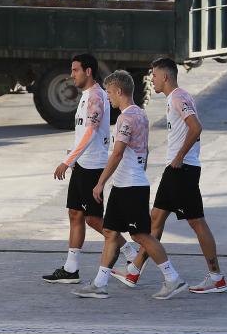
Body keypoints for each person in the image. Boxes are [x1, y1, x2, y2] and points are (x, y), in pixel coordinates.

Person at [111, 57, 227, 294]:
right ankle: (134, 270)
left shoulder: (178, 97)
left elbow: (196, 127)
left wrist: (179, 157)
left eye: (154, 75)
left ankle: (216, 277)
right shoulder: (174, 99)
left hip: (181, 170)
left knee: (196, 221)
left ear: (165, 77)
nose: (151, 79)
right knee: (155, 220)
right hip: (176, 169)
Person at [73, 70, 187, 299]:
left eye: (109, 93)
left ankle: (173, 278)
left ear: (119, 91)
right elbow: (143, 150)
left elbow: (116, 154)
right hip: (126, 184)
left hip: (130, 186)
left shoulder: (126, 118)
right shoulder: (140, 114)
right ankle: (100, 283)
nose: (107, 98)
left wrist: (99, 183)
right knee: (110, 231)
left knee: (141, 235)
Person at [43, 54, 136, 284]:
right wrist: (72, 156)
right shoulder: (86, 96)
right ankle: (71, 269)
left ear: (88, 71)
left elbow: (91, 132)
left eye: (75, 70)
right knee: (75, 214)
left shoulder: (96, 96)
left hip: (93, 166)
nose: (71, 74)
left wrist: (68, 161)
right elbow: (82, 132)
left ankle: (131, 252)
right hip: (81, 164)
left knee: (94, 219)